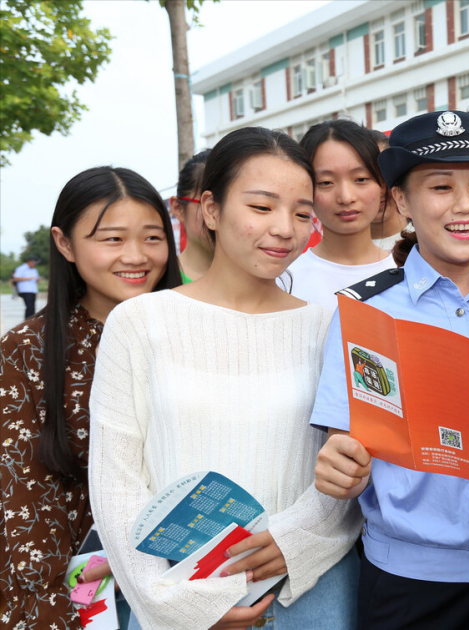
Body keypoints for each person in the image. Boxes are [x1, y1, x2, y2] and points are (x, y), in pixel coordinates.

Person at [88, 127, 362, 630]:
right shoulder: (139, 323)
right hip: (176, 592)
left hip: (310, 594)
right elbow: (116, 483)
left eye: (302, 213)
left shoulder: (329, 329)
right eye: (262, 207)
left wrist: (292, 542)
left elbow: (346, 471)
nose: (285, 229)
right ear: (211, 210)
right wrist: (176, 606)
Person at [311, 110, 469, 630]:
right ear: (401, 201)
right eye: (441, 187)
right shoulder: (367, 314)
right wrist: (342, 464)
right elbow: (345, 445)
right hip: (412, 589)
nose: (466, 205)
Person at [1, 166, 181, 630]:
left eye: (152, 237)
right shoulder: (26, 351)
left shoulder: (195, 329)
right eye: (112, 239)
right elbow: (28, 506)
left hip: (194, 581)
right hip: (85, 594)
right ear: (64, 244)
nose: (136, 256)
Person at [284, 120, 396, 309]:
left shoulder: (411, 271)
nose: (346, 197)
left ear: (382, 186)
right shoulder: (286, 281)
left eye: (361, 179)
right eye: (326, 182)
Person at [168, 149, 213, 283]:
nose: (219, 216)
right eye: (210, 205)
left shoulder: (268, 280)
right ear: (178, 208)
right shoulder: (160, 281)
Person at [368, 129, 413, 251]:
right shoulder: (337, 257)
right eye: (362, 179)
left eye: (383, 174)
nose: (379, 190)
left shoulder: (430, 240)